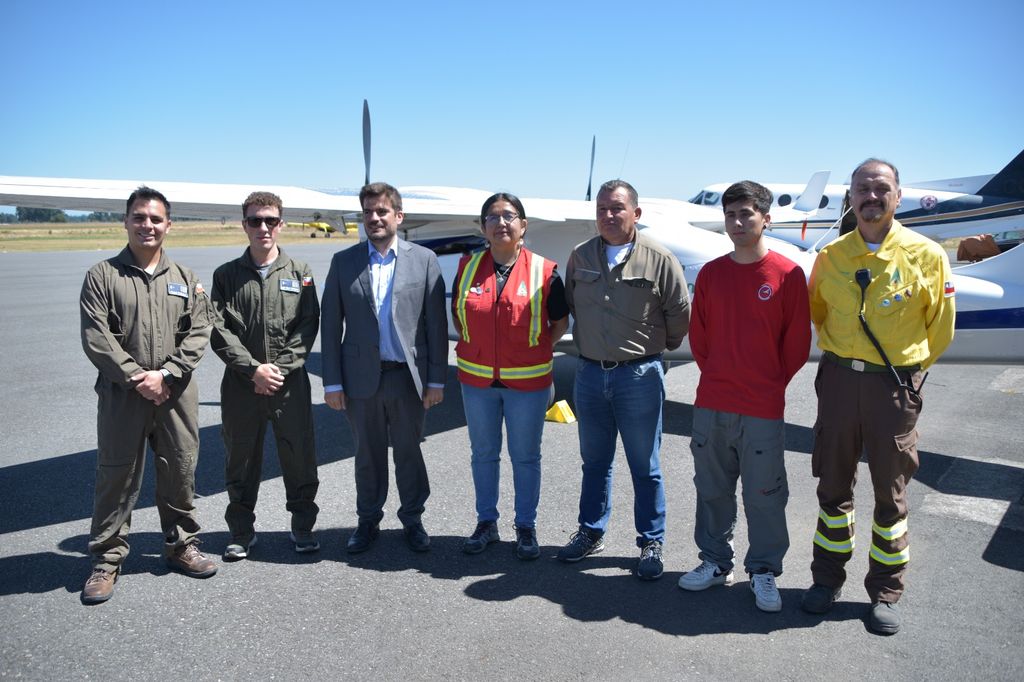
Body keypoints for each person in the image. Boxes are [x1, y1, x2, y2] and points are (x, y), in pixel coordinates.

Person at [800, 159, 956, 634]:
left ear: (898, 195)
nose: (871, 196)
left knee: (891, 496)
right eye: (862, 188)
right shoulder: (831, 257)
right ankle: (825, 582)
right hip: (840, 381)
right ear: (851, 197)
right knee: (833, 486)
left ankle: (886, 592)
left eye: (881, 188)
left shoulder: (927, 255)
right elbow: (818, 311)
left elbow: (941, 329)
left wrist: (906, 375)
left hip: (893, 386)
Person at [677, 181, 810, 612]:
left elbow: (795, 347)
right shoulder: (712, 274)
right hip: (712, 403)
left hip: (762, 408)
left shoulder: (787, 275)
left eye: (746, 214)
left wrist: (767, 383)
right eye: (730, 215)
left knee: (764, 495)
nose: (737, 222)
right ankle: (715, 562)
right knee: (712, 490)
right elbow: (700, 339)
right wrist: (721, 377)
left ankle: (764, 570)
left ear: (765, 219)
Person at [79, 186, 216, 604]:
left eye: (156, 219)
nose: (147, 225)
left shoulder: (186, 280)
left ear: (168, 225)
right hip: (125, 396)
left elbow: (200, 331)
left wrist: (168, 375)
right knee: (116, 475)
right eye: (139, 217)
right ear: (126, 221)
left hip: (175, 395)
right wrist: (139, 377)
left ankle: (180, 546)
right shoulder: (102, 276)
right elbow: (96, 338)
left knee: (180, 469)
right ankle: (106, 560)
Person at [558, 179, 690, 580]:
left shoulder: (659, 258)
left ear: (636, 213)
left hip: (639, 377)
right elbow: (569, 304)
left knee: (643, 465)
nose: (609, 216)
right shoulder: (580, 257)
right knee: (594, 462)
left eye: (617, 208)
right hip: (590, 374)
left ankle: (651, 540)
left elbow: (678, 316)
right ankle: (590, 531)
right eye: (601, 209)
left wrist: (647, 353)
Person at [321, 182, 448, 554]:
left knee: (409, 451)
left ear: (398, 216)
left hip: (406, 378)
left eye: (381, 212)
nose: (374, 219)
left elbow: (435, 326)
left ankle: (413, 519)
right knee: (368, 453)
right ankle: (367, 521)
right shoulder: (344, 262)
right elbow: (331, 326)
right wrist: (332, 384)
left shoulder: (424, 260)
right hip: (361, 380)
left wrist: (436, 379)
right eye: (368, 213)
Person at [452, 193, 569, 560]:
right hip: (477, 382)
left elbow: (559, 322)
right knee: (483, 454)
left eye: (508, 216)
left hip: (528, 384)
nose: (500, 223)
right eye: (492, 217)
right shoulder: (467, 266)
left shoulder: (545, 271)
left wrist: (532, 350)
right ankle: (486, 522)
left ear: (523, 225)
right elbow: (460, 316)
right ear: (483, 226)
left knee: (525, 456)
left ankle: (525, 526)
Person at [210, 191, 321, 560]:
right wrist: (253, 369)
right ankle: (241, 532)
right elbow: (218, 329)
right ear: (244, 225)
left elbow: (308, 325)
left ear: (281, 224)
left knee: (299, 455)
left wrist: (279, 368)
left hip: (289, 386)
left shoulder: (300, 273)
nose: (263, 227)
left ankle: (303, 526)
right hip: (242, 386)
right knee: (240, 458)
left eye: (270, 220)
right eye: (255, 220)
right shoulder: (226, 276)